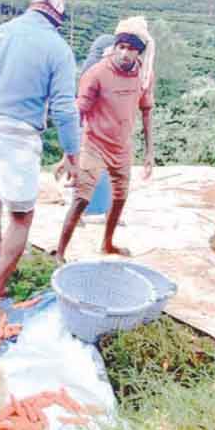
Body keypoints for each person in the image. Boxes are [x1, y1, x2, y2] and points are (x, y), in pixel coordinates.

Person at [0, 0, 81, 302]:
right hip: (15, 138)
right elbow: (64, 108)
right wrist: (72, 153)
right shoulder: (58, 48)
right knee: (22, 216)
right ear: (57, 22)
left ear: (30, 10)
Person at [54, 17, 156, 263]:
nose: (124, 53)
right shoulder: (97, 73)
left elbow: (146, 110)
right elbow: (79, 112)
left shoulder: (143, 75)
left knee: (120, 197)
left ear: (138, 52)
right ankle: (59, 253)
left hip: (122, 147)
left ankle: (107, 243)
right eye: (121, 47)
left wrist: (149, 152)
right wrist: (67, 153)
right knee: (82, 198)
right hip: (93, 144)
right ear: (115, 46)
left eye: (131, 48)